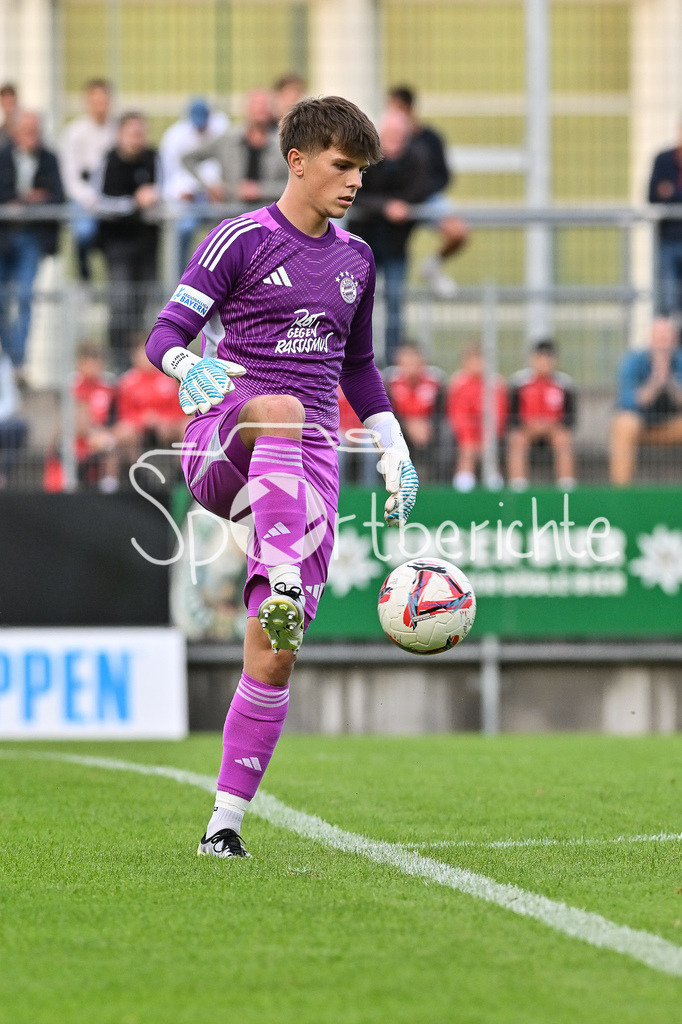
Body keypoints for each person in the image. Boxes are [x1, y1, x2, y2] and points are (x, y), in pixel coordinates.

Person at [145, 95, 419, 858]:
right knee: (282, 410)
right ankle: (285, 578)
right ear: (296, 161)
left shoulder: (357, 260)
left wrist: (393, 443)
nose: (355, 182)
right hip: (226, 440)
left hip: (309, 471)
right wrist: (185, 365)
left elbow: (358, 366)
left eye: (362, 170)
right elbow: (165, 332)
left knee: (275, 652)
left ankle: (223, 827)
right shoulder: (240, 239)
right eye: (343, 165)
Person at [348, 108, 432, 364]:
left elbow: (421, 190)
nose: (394, 140)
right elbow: (358, 194)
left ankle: (394, 362)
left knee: (395, 302)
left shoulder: (415, 159)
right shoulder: (367, 159)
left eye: (399, 135)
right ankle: (356, 358)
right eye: (390, 134)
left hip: (395, 244)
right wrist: (387, 207)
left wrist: (402, 206)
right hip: (364, 244)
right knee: (356, 302)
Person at [92, 112, 161, 374]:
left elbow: (164, 191)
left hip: (148, 244)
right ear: (120, 135)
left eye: (140, 133)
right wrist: (133, 203)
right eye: (132, 133)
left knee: (145, 305)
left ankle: (142, 366)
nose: (136, 139)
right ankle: (119, 365)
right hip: (117, 245)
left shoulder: (153, 158)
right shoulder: (109, 160)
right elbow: (98, 200)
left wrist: (153, 199)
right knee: (120, 304)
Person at [386, 85, 469, 298]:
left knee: (458, 232)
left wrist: (420, 193)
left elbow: (443, 176)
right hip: (396, 202)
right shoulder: (386, 137)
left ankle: (433, 266)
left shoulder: (430, 138)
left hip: (426, 200)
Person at [0, 111, 65, 376]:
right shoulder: (3, 156)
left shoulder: (49, 159)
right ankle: (9, 357)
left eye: (35, 131)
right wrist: (22, 199)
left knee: (25, 295)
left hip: (31, 238)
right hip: (4, 238)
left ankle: (18, 361)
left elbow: (58, 195)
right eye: (27, 130)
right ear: (16, 132)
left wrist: (29, 201)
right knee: (2, 299)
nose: (32, 136)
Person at [181, 88, 288, 207]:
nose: (260, 109)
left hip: (268, 211)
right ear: (246, 108)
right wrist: (210, 186)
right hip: (232, 210)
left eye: (265, 105)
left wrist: (261, 191)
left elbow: (292, 185)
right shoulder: (228, 139)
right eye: (256, 104)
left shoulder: (282, 143)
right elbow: (188, 158)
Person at [159, 97, 229, 274]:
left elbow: (222, 167)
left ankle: (218, 278)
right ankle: (180, 278)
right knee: (184, 230)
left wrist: (216, 188)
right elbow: (169, 174)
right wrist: (181, 192)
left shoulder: (221, 130)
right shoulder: (174, 137)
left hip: (216, 198)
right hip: (187, 200)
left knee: (223, 235)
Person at [609, 317, 682, 485]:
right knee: (623, 423)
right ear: (650, 340)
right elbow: (625, 401)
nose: (663, 345)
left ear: (674, 341)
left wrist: (670, 382)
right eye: (659, 339)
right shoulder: (633, 361)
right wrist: (654, 384)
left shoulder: (679, 361)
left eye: (667, 339)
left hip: (672, 427)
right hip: (641, 427)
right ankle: (621, 494)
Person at [59, 79, 117, 281]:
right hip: (83, 198)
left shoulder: (116, 131)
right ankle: (84, 274)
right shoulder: (74, 132)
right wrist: (88, 197)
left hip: (112, 197)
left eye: (104, 100)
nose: (100, 105)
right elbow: (70, 176)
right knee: (84, 233)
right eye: (95, 100)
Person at [506, 338, 576, 490]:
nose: (544, 362)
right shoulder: (519, 383)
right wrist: (530, 425)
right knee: (517, 439)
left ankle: (566, 485)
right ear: (533, 359)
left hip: (554, 431)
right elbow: (511, 417)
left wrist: (551, 425)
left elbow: (571, 419)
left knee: (564, 439)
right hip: (527, 431)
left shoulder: (564, 384)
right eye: (540, 358)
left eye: (548, 358)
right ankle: (518, 486)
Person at [115, 337, 188, 468]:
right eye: (141, 354)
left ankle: (182, 471)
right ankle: (137, 471)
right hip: (138, 427)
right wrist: (143, 420)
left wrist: (164, 420)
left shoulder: (170, 377)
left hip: (167, 424)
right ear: (134, 356)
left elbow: (180, 408)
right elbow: (124, 413)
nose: (145, 358)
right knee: (124, 432)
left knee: (187, 427)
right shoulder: (127, 381)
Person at [447, 342, 508, 491]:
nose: (477, 364)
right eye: (473, 360)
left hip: (489, 436)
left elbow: (499, 415)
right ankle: (464, 491)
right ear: (464, 362)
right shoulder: (459, 384)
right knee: (467, 451)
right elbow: (458, 415)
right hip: (466, 437)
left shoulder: (495, 384)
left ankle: (494, 489)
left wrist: (488, 439)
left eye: (480, 359)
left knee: (490, 453)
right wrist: (468, 438)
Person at [384, 342, 445, 483]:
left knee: (444, 434)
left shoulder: (435, 384)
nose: (411, 364)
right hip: (399, 428)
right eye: (407, 360)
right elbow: (388, 412)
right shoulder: (390, 385)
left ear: (422, 361)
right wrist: (408, 425)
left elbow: (441, 412)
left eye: (414, 359)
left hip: (429, 430)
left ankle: (438, 483)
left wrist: (426, 424)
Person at [72, 342, 118, 491]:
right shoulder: (72, 387)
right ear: (80, 363)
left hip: (102, 434)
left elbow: (114, 416)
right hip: (77, 436)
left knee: (110, 442)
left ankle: (110, 485)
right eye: (88, 362)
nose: (92, 367)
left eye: (96, 362)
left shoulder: (108, 388)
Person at [648, 124, 682, 317]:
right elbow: (652, 195)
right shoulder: (664, 159)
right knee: (667, 299)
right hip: (668, 239)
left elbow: (665, 193)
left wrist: (671, 193)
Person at [0, 351, 27, 486]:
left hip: (3, 421)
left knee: (18, 427)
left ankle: (3, 475)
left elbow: (11, 399)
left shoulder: (4, 362)